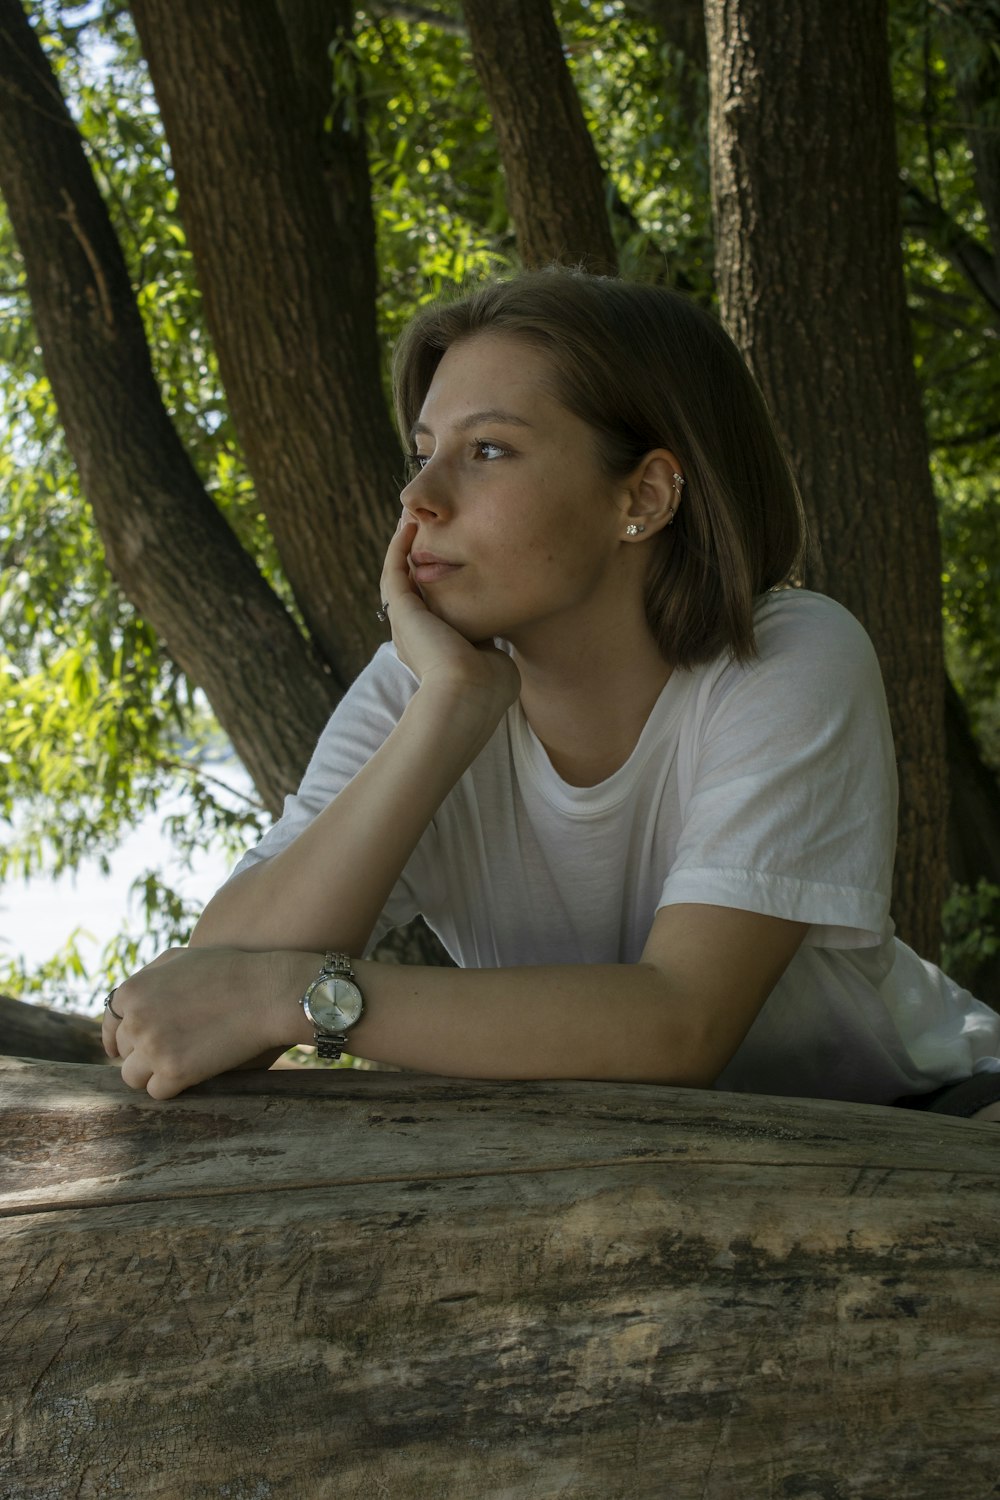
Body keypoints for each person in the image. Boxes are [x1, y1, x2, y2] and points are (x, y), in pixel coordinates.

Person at [102, 268, 1000, 1118]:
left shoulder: (784, 655)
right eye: (421, 455)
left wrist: (299, 1004)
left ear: (642, 495)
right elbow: (210, 987)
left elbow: (681, 1023)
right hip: (629, 1178)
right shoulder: (423, 688)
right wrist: (451, 709)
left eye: (487, 450)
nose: (419, 496)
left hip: (925, 1130)